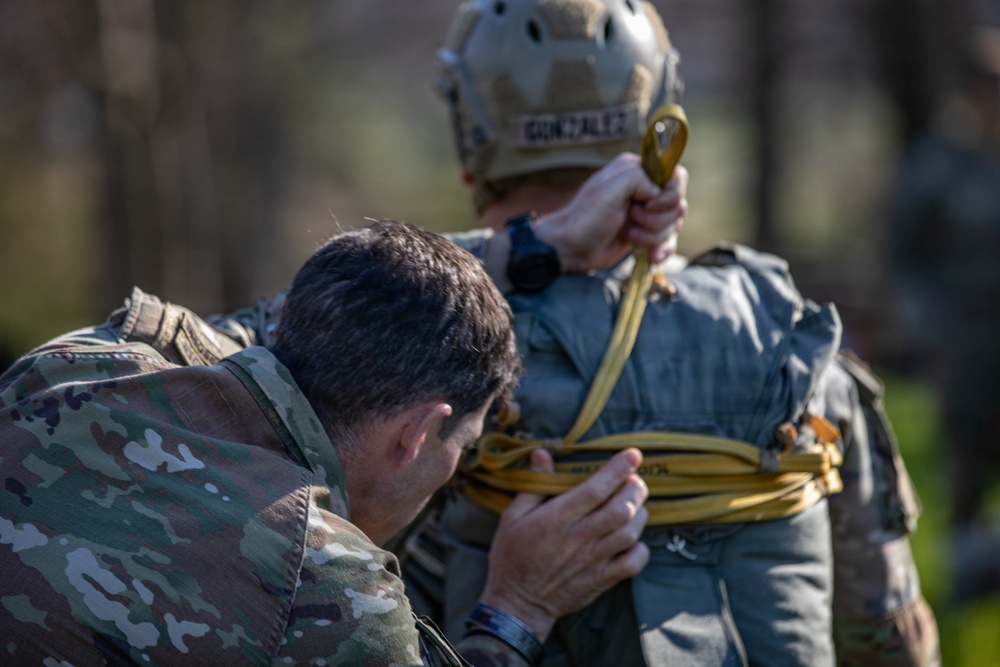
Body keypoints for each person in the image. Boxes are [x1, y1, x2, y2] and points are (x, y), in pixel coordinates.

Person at [397, 1, 940, 666]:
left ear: (468, 133)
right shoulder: (791, 338)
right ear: (657, 111)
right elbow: (892, 637)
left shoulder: (415, 372)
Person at [0, 220, 653, 665]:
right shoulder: (331, 589)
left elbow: (263, 318)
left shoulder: (83, 360)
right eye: (465, 443)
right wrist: (518, 608)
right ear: (421, 432)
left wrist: (531, 241)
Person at [887, 25, 1000, 605]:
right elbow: (904, 254)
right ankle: (965, 578)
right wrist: (928, 325)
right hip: (964, 340)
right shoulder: (939, 164)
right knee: (966, 458)